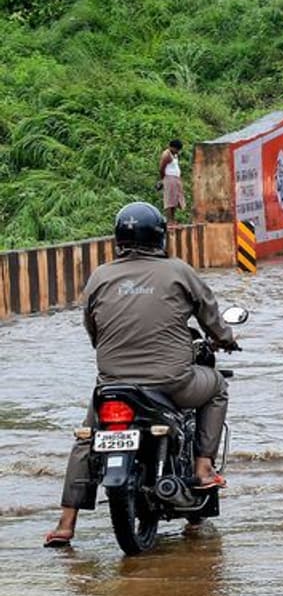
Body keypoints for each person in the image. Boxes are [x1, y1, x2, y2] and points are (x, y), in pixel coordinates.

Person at [44, 202, 238, 548]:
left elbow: (94, 331)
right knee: (218, 387)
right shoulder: (179, 271)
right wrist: (226, 340)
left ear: (118, 241)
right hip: (173, 383)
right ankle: (203, 467)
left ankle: (65, 523)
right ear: (160, 238)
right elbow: (212, 317)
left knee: (87, 438)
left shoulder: (100, 277)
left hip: (112, 386)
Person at [158, 139, 185, 223]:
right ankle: (169, 221)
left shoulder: (175, 155)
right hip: (169, 178)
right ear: (172, 147)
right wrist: (163, 180)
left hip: (175, 179)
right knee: (169, 201)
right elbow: (161, 168)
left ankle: (173, 219)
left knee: (175, 200)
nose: (177, 151)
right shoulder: (166, 155)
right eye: (176, 149)